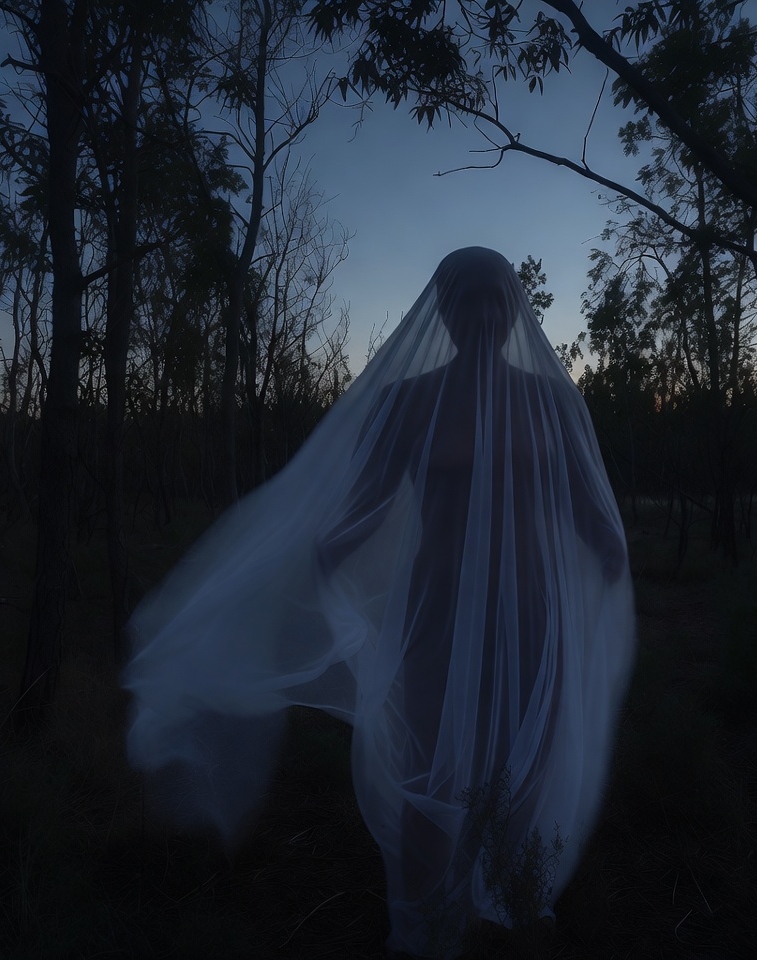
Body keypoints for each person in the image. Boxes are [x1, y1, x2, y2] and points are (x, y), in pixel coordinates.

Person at [125, 246, 636, 959]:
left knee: (521, 762)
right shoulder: (408, 401)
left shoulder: (548, 401)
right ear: (444, 310)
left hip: (529, 612)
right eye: (467, 299)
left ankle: (509, 906)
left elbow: (581, 505)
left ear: (513, 310)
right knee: (428, 765)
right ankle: (427, 925)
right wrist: (319, 555)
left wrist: (607, 548)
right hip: (437, 611)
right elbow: (366, 504)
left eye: (497, 299)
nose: (483, 313)